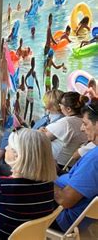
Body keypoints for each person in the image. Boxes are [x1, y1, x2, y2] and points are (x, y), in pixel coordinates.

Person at [53, 100, 98, 233]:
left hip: (62, 219)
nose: (82, 128)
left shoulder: (94, 161)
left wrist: (46, 177)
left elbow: (64, 200)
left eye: (85, 124)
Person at [40, 92, 88, 168]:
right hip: (71, 165)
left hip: (57, 166)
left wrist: (39, 131)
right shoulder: (84, 120)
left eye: (61, 104)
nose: (59, 106)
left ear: (68, 109)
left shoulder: (67, 123)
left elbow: (41, 138)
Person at [24, 57, 42, 123]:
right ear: (33, 64)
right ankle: (28, 122)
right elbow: (36, 82)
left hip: (29, 90)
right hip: (31, 91)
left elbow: (25, 79)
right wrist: (39, 90)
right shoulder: (33, 72)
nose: (34, 64)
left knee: (26, 106)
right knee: (31, 108)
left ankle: (24, 120)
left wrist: (27, 86)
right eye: (34, 63)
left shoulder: (30, 71)